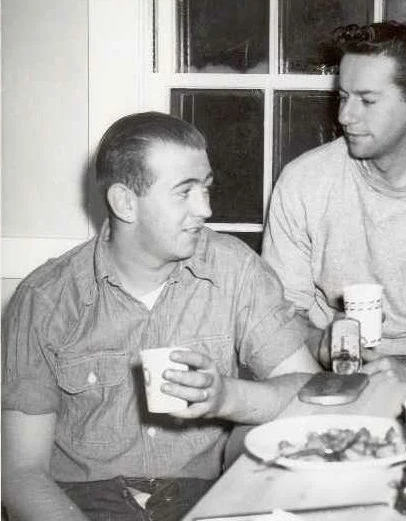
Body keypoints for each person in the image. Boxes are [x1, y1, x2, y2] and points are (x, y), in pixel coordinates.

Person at [1, 112, 322, 521]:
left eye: (206, 188)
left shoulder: (236, 271)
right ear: (124, 202)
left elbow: (310, 390)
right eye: (184, 192)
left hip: (202, 501)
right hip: (79, 503)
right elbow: (21, 472)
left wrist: (227, 396)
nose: (205, 208)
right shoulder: (44, 299)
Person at [262, 22, 406, 383]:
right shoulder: (303, 181)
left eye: (367, 101)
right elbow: (280, 316)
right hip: (321, 374)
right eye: (343, 97)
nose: (344, 116)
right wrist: (321, 344)